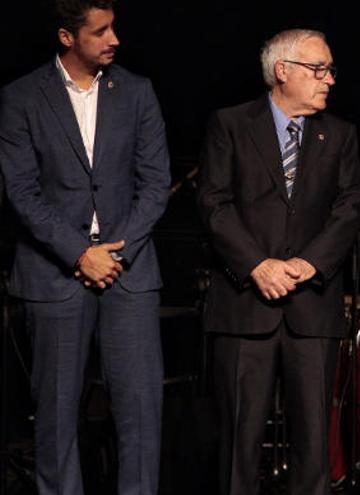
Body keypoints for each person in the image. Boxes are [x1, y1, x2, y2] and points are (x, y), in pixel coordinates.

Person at [0, 0, 170, 493]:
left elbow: (157, 183)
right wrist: (79, 253)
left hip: (128, 272)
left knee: (140, 412)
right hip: (55, 275)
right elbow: (21, 191)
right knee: (56, 414)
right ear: (66, 37)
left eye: (114, 27)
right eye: (100, 31)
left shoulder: (136, 91)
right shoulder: (22, 96)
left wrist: (114, 253)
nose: (114, 38)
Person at [197, 29, 360, 495]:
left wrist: (311, 263)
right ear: (282, 71)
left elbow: (351, 205)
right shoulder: (230, 124)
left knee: (313, 448)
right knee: (239, 445)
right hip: (245, 307)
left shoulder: (341, 134)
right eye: (319, 68)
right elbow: (214, 203)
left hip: (312, 310)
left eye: (330, 69)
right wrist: (257, 265)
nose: (329, 79)